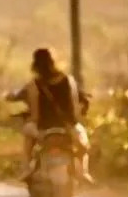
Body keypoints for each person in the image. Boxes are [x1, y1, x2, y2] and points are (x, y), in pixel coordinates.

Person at [18, 48, 94, 184]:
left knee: (28, 135)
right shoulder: (67, 80)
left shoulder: (34, 84)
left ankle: (26, 168)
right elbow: (81, 99)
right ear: (53, 62)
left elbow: (31, 110)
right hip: (68, 127)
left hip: (42, 129)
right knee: (84, 145)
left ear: (35, 64)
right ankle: (83, 171)